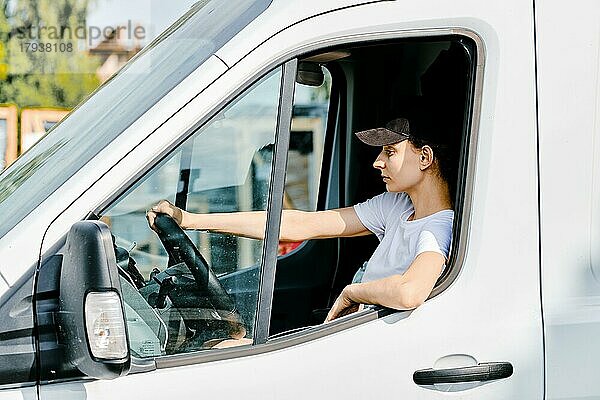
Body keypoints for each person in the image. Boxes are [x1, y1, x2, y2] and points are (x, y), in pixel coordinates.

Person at [146, 116, 455, 324]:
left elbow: (409, 292)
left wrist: (352, 291)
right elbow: (301, 225)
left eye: (390, 152)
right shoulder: (396, 206)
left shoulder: (438, 228)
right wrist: (190, 219)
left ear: (425, 158)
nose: (378, 162)